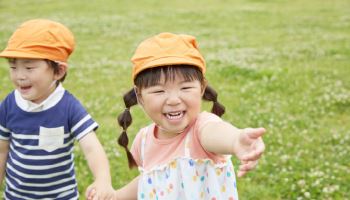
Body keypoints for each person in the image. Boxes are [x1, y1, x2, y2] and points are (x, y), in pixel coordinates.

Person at [106, 32, 265, 200]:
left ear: (202, 87)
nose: (174, 100)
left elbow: (216, 132)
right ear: (140, 96)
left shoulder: (201, 128)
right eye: (159, 91)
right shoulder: (143, 141)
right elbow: (150, 179)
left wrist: (236, 140)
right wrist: (116, 196)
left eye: (185, 88)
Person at [0, 19, 114, 199]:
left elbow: (91, 147)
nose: (20, 76)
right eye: (13, 67)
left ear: (58, 71)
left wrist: (102, 180)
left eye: (29, 67)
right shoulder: (9, 104)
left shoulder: (68, 107)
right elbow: (2, 149)